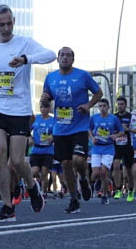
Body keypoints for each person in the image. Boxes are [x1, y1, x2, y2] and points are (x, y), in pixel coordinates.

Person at [0, 3, 55, 222]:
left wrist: (26, 59)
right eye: (0, 25)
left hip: (19, 108)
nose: (5, 28)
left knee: (16, 160)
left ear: (14, 21)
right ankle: (7, 206)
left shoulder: (25, 43)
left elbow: (50, 54)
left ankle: (32, 187)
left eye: (9, 23)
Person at [41, 46, 102, 215]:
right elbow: (45, 101)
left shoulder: (83, 75)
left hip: (80, 126)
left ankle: (83, 178)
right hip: (60, 128)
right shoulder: (50, 78)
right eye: (62, 55)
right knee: (66, 163)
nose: (65, 58)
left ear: (73, 59)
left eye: (68, 55)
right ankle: (74, 199)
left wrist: (88, 105)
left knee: (78, 160)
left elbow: (98, 92)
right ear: (58, 58)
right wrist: (45, 100)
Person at [88, 99, 124, 205]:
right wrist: (92, 138)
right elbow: (89, 129)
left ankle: (104, 194)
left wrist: (115, 136)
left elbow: (121, 131)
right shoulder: (94, 118)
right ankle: (98, 183)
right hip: (96, 148)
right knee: (95, 173)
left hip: (108, 148)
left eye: (104, 106)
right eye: (100, 106)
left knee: (104, 172)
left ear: (108, 107)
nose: (102, 108)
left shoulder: (113, 119)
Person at [110, 96, 135, 200]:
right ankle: (118, 189)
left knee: (128, 170)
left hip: (128, 146)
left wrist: (128, 129)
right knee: (116, 166)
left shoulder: (131, 117)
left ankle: (130, 190)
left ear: (125, 105)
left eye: (122, 104)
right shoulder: (113, 117)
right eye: (118, 104)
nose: (120, 106)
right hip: (117, 146)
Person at [30, 101, 55, 199]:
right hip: (36, 149)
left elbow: (58, 132)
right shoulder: (36, 118)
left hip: (48, 150)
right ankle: (39, 181)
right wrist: (30, 138)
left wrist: (52, 137)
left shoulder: (53, 120)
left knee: (45, 171)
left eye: (45, 107)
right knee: (34, 171)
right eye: (41, 107)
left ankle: (43, 192)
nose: (43, 109)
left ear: (49, 109)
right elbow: (27, 131)